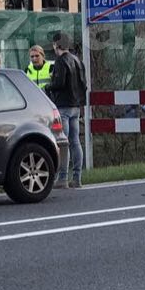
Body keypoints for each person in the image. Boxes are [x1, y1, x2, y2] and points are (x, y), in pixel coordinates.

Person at [45, 33, 87, 189]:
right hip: (76, 106)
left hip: (63, 105)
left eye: (54, 45)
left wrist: (48, 86)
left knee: (63, 143)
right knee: (75, 141)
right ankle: (77, 177)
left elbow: (59, 83)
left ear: (57, 45)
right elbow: (83, 83)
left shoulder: (61, 62)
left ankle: (62, 177)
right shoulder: (77, 60)